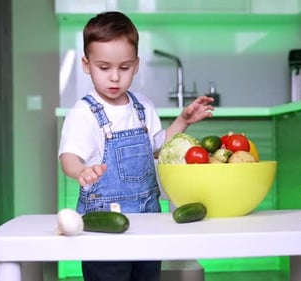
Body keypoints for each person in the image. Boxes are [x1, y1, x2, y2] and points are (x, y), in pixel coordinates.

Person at [58, 11, 214, 281]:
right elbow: (68, 156)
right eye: (104, 68)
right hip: (104, 227)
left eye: (125, 67)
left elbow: (158, 147)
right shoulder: (84, 112)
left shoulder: (142, 106)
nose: (115, 78)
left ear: (137, 64)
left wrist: (183, 121)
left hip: (148, 221)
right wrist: (80, 171)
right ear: (86, 64)